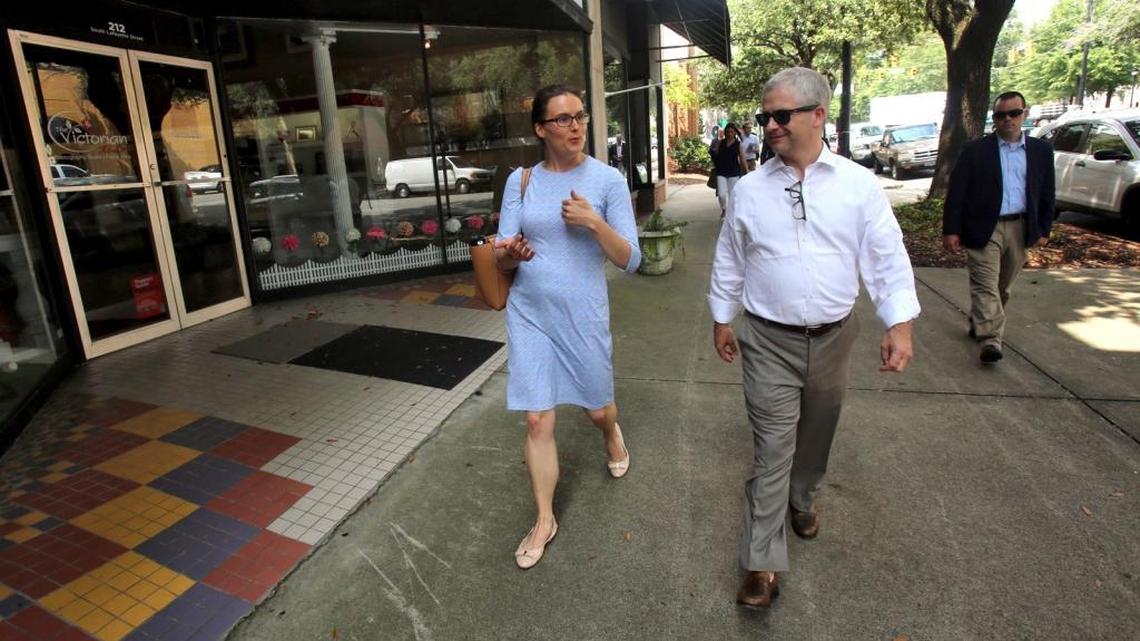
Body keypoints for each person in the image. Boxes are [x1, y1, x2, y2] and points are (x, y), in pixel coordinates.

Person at [708, 67, 920, 608]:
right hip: (766, 340)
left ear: (818, 115)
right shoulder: (751, 192)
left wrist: (898, 323)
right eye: (766, 117)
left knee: (818, 431)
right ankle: (761, 562)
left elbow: (885, 256)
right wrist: (721, 316)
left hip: (833, 337)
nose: (770, 126)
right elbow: (730, 258)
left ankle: (806, 497)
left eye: (782, 116)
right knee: (772, 448)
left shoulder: (857, 185)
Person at [495, 85, 642, 570]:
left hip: (583, 315)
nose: (576, 125)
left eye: (579, 116)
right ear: (540, 129)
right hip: (529, 312)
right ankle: (544, 519)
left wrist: (595, 223)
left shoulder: (607, 181)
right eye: (562, 119)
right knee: (538, 418)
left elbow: (630, 260)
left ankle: (611, 431)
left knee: (595, 410)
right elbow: (500, 248)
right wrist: (510, 253)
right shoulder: (520, 181)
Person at [943, 91, 1055, 364]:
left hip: (1019, 226)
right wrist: (951, 229)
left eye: (1014, 114)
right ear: (994, 119)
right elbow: (957, 192)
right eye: (1001, 115)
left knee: (1002, 287)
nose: (1008, 120)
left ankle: (980, 320)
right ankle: (992, 339)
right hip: (984, 227)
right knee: (986, 285)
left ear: (1024, 114)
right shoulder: (975, 151)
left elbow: (1047, 193)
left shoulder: (1040, 151)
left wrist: (1043, 229)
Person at [709, 122, 747, 216]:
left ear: (735, 133)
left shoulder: (738, 144)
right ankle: (724, 209)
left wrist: (746, 171)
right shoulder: (721, 142)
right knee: (721, 194)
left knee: (732, 194)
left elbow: (742, 159)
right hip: (721, 171)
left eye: (732, 132)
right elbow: (716, 155)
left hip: (734, 172)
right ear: (725, 132)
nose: (730, 134)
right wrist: (715, 148)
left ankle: (731, 212)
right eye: (728, 132)